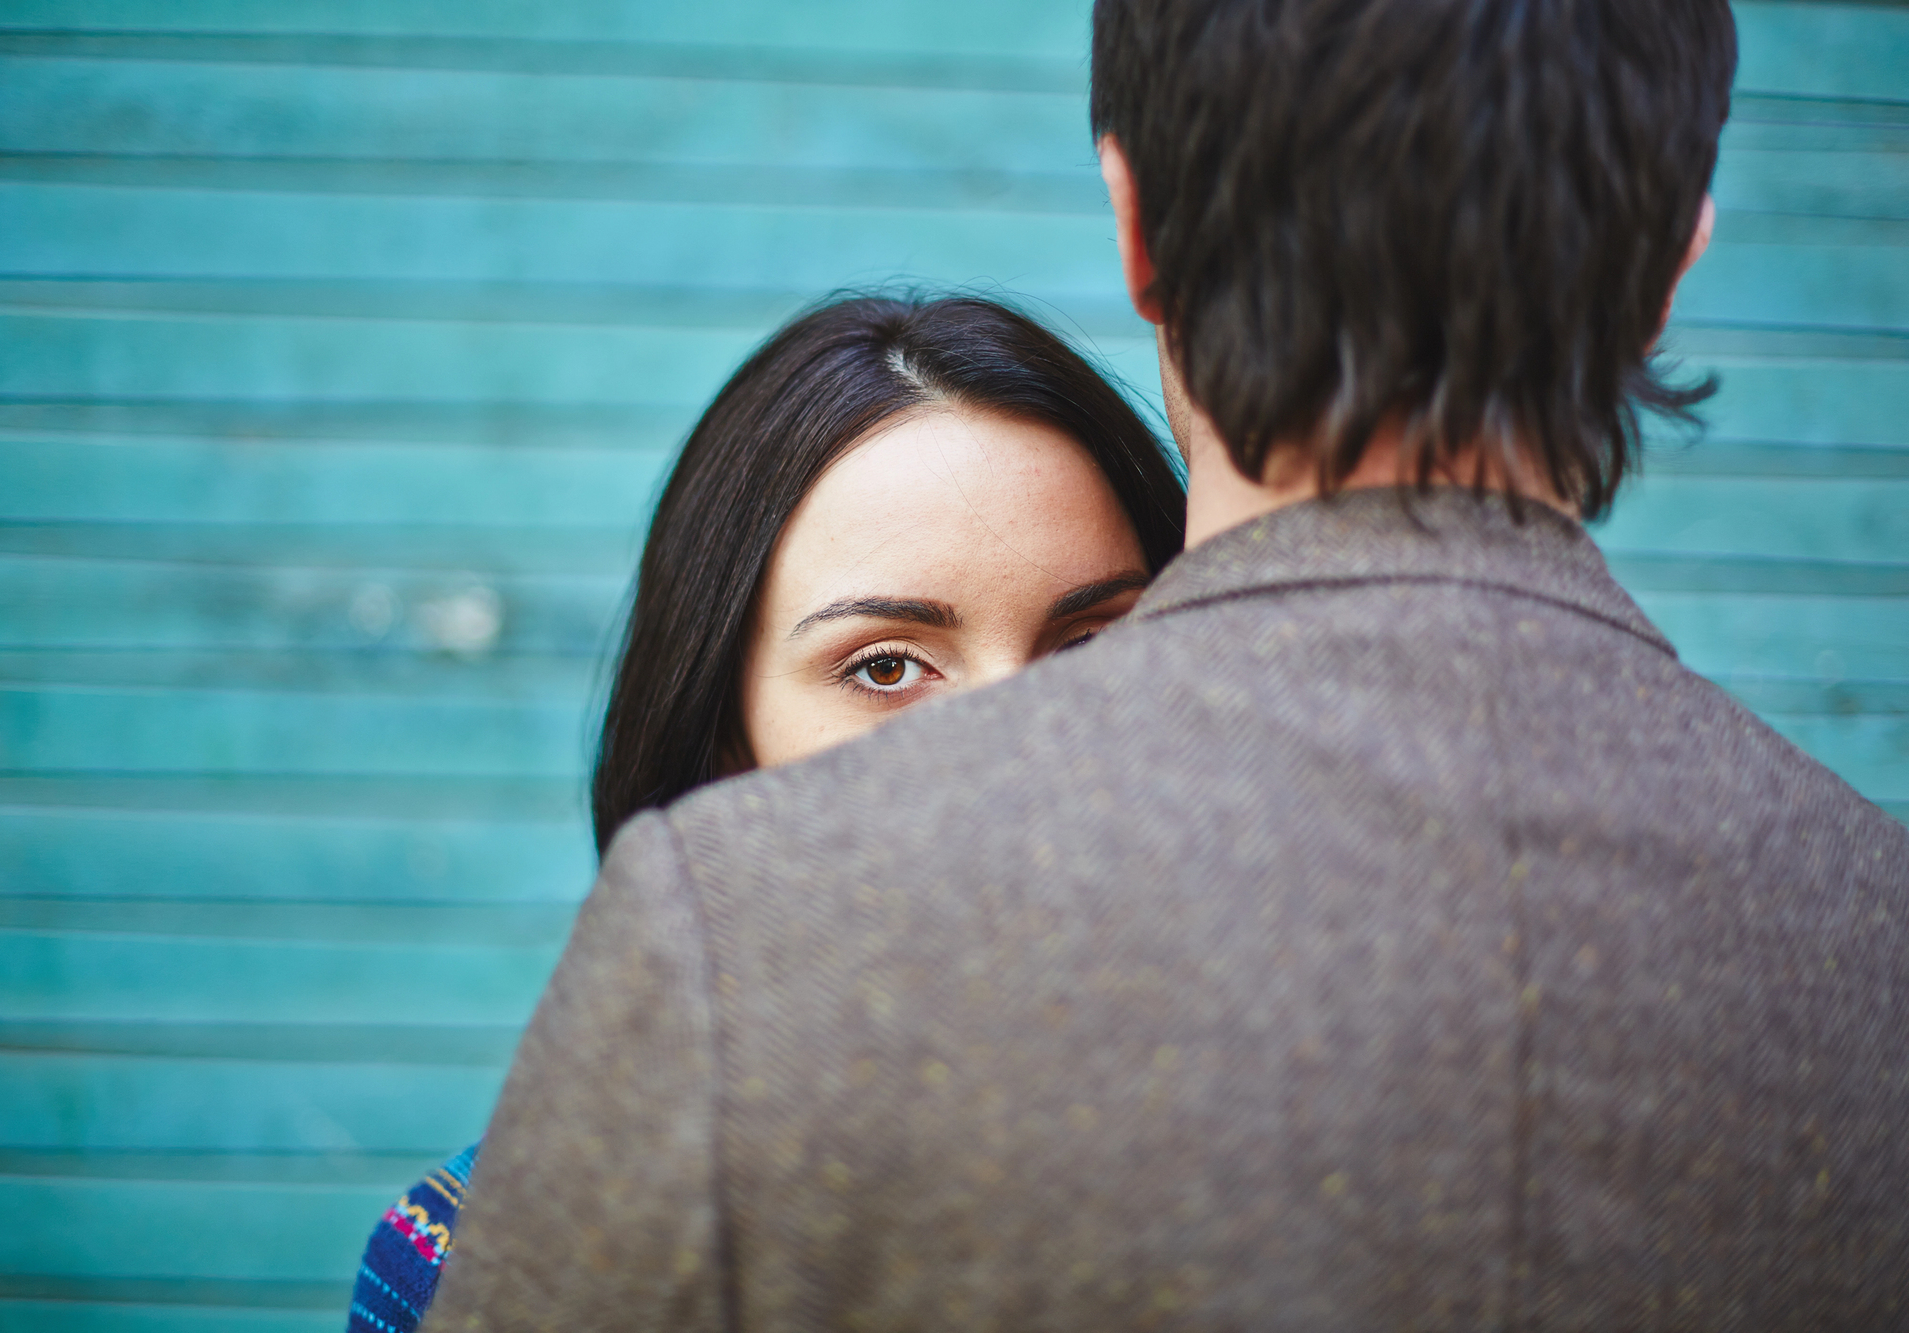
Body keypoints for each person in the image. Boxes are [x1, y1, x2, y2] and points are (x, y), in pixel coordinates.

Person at [428, 0, 1909, 1326]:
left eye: (1087, 631)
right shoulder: (1875, 946)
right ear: (1672, 263)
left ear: (1135, 224)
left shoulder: (745, 942)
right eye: (887, 663)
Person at [346, 294, 1186, 1333]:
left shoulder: (1311, 1173)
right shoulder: (471, 1255)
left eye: (1091, 645)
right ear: (724, 736)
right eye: (885, 667)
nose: (1012, 747)